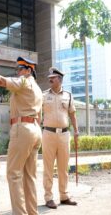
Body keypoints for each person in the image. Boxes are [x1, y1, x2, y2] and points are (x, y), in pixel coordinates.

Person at [0, 56, 42, 215]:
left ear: (29, 70)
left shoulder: (25, 82)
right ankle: (32, 212)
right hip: (35, 130)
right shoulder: (37, 88)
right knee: (29, 177)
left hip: (23, 129)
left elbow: (3, 81)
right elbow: (40, 116)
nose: (17, 72)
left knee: (14, 174)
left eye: (20, 69)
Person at [42, 67, 79, 209]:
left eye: (53, 77)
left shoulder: (68, 95)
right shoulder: (44, 95)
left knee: (64, 167)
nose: (50, 79)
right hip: (48, 134)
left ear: (59, 79)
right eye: (49, 77)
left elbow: (72, 114)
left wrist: (76, 131)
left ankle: (64, 196)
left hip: (64, 134)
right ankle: (48, 197)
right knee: (48, 167)